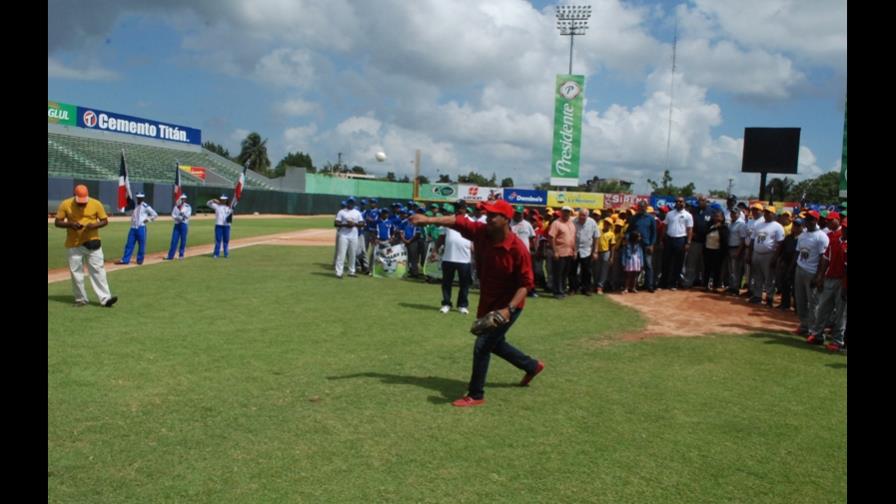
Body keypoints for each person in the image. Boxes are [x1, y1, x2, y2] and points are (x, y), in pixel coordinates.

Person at [410, 199, 544, 407]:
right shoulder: (482, 232)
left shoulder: (518, 249)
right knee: (495, 344)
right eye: (487, 215)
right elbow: (457, 221)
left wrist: (508, 310)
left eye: (493, 216)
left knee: (482, 346)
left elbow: (526, 285)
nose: (487, 219)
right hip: (488, 301)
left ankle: (476, 394)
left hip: (509, 305)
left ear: (506, 219)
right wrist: (428, 219)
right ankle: (532, 366)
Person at [54, 184, 118, 307]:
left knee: (98, 270)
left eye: (84, 202)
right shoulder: (65, 204)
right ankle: (81, 299)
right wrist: (70, 224)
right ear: (74, 195)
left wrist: (94, 225)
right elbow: (57, 222)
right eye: (80, 202)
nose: (82, 204)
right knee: (76, 272)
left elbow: (105, 221)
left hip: (92, 243)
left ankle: (105, 299)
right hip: (74, 244)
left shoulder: (96, 204)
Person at [438, 203, 473, 314]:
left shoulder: (472, 221)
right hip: (448, 257)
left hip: (465, 258)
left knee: (464, 284)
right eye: (456, 207)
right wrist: (435, 251)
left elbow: (476, 239)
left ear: (465, 209)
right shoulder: (449, 220)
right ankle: (446, 304)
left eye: (460, 207)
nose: (458, 209)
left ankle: (462, 305)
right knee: (446, 283)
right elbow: (441, 237)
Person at [114, 192, 158, 265]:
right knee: (129, 244)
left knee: (141, 245)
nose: (139, 199)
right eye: (138, 197)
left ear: (143, 198)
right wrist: (126, 194)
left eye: (140, 198)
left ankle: (140, 260)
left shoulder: (145, 206)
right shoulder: (134, 205)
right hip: (133, 228)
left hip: (141, 227)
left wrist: (148, 219)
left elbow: (155, 215)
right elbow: (128, 201)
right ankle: (125, 260)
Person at [334, 197, 364, 278]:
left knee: (352, 254)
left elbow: (362, 224)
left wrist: (354, 224)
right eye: (349, 202)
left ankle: (352, 272)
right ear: (347, 203)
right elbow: (336, 223)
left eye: (352, 202)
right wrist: (346, 225)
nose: (351, 204)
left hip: (354, 236)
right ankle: (339, 272)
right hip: (343, 235)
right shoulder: (341, 212)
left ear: (354, 203)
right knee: (341, 254)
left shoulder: (357, 212)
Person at [163, 194, 191, 260]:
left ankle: (181, 255)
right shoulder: (176, 206)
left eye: (184, 199)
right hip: (177, 224)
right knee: (174, 240)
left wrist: (181, 215)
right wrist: (176, 218)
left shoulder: (188, 206)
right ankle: (170, 256)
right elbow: (173, 214)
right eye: (182, 199)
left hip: (184, 224)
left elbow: (187, 216)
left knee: (183, 240)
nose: (183, 200)